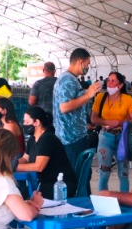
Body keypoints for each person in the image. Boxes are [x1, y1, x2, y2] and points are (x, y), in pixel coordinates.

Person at [53, 48, 103, 187]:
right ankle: (80, 204)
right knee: (79, 178)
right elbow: (65, 107)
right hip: (70, 139)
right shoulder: (67, 80)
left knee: (82, 176)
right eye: (87, 64)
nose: (88, 67)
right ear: (81, 62)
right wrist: (88, 95)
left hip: (75, 135)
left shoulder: (71, 80)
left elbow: (74, 103)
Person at [91, 71, 132, 193]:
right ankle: (102, 200)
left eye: (113, 81)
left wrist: (122, 122)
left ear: (120, 85)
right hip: (105, 137)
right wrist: (108, 121)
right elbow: (93, 118)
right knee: (104, 172)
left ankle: (125, 202)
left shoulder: (127, 99)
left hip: (122, 137)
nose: (109, 83)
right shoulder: (100, 98)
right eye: (108, 80)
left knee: (123, 172)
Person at [16, 107, 77, 199]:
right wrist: (10, 163)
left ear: (37, 122)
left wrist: (13, 166)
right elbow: (25, 159)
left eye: (27, 122)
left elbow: (39, 166)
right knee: (18, 194)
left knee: (21, 198)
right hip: (44, 184)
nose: (24, 125)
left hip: (58, 186)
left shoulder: (47, 139)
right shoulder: (32, 139)